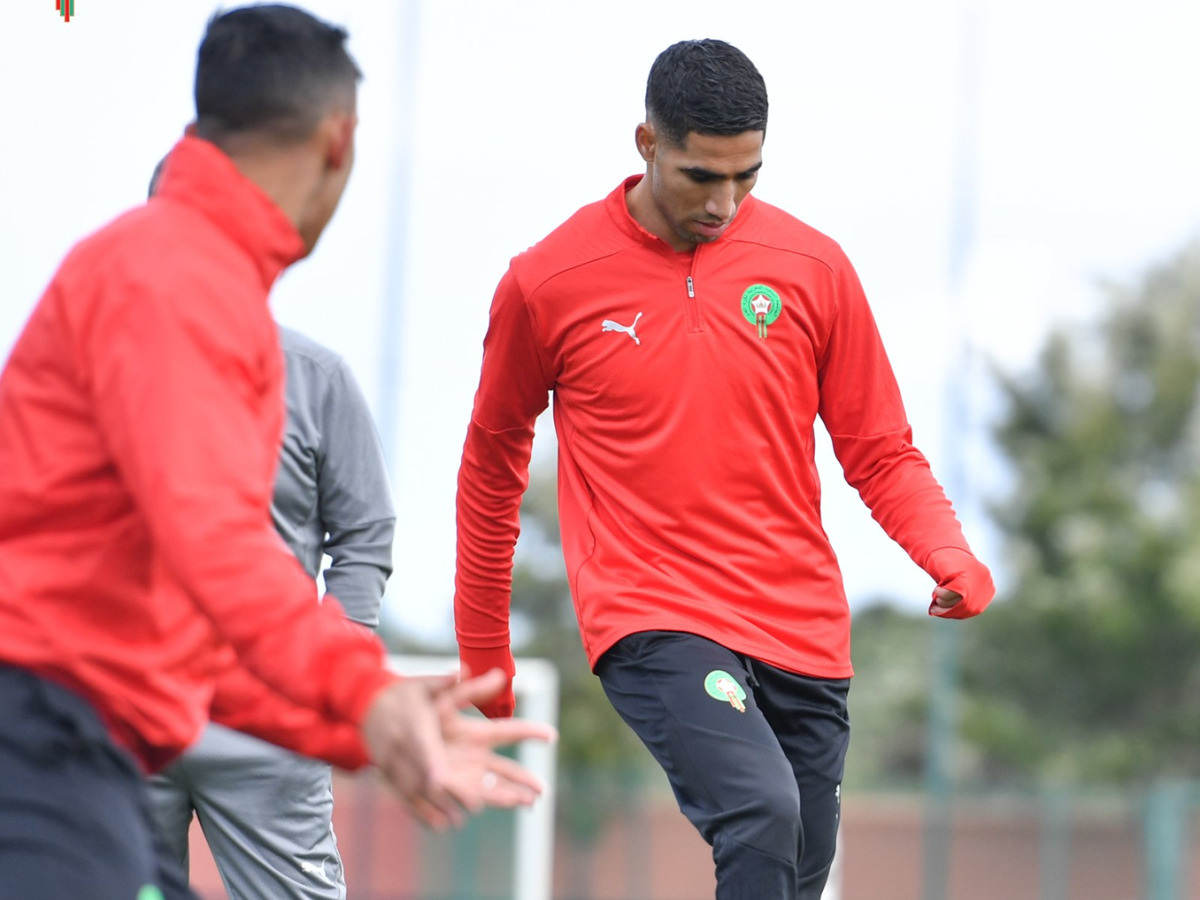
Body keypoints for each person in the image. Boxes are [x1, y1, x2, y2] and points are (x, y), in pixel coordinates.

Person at [0, 7, 552, 900]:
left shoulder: (193, 281)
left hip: (79, 745)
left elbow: (187, 626)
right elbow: (218, 550)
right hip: (38, 745)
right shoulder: (175, 277)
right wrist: (364, 691)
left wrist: (360, 725)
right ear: (342, 142)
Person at [453, 39, 994, 900]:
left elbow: (880, 448)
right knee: (760, 812)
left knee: (793, 865)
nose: (726, 202)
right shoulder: (545, 283)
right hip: (652, 609)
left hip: (803, 627)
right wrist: (486, 655)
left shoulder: (816, 268)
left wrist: (949, 553)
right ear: (646, 143)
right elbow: (491, 468)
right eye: (702, 176)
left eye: (748, 176)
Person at [147, 323, 396, 900]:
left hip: (269, 726)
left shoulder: (317, 376)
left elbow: (364, 532)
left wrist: (331, 672)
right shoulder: (107, 363)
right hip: (129, 716)